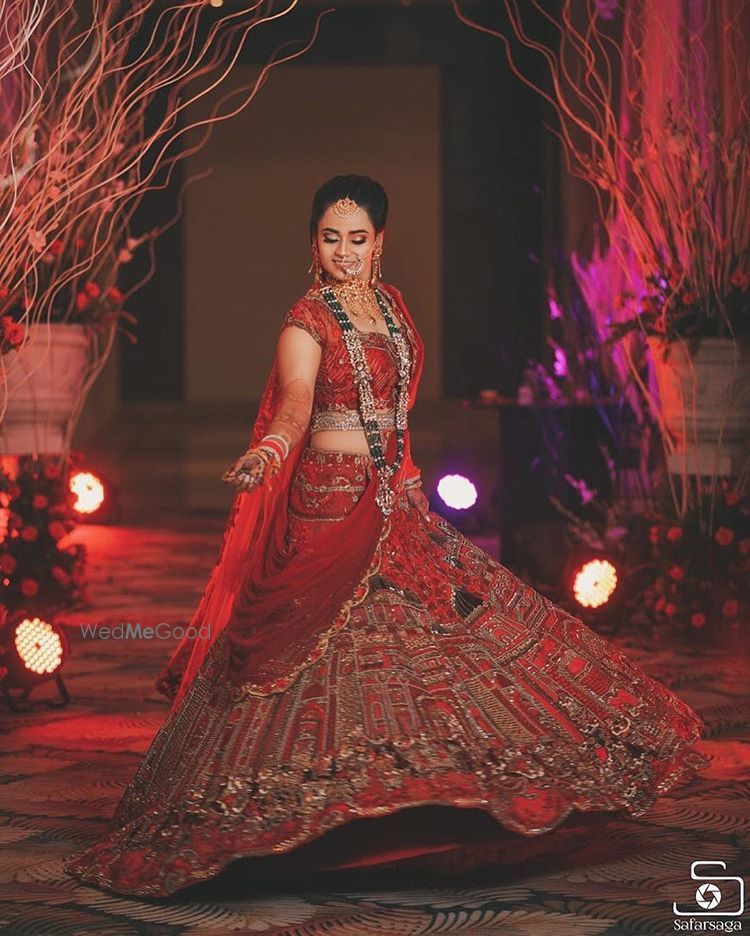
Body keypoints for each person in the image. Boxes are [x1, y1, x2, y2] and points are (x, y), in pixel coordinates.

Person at [63, 175, 709, 898]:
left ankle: (423, 801)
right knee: (322, 659)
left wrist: (406, 482)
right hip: (327, 506)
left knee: (432, 648)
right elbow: (296, 406)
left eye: (358, 239)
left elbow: (395, 410)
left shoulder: (393, 309)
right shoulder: (304, 323)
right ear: (314, 243)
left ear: (380, 242)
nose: (344, 252)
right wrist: (268, 454)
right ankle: (305, 812)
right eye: (330, 238)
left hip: (396, 503)